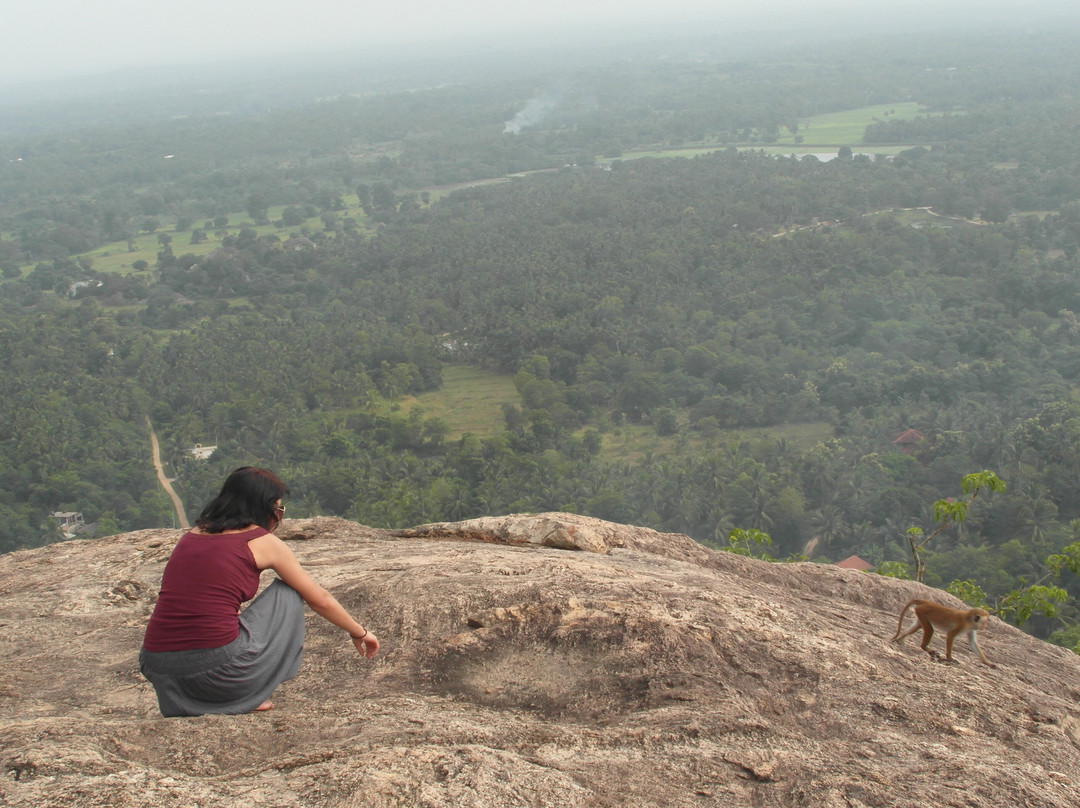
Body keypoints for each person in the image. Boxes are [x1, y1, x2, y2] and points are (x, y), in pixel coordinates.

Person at [139, 466, 378, 717]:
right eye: (278, 507)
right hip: (218, 674)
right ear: (262, 507)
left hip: (157, 668)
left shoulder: (193, 534)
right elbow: (320, 599)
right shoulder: (262, 542)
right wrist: (359, 632)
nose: (279, 514)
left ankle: (200, 702)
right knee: (288, 591)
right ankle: (244, 696)